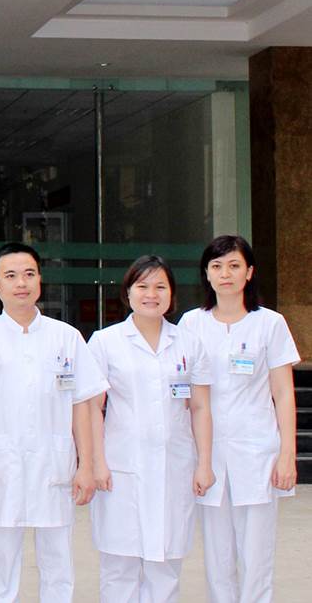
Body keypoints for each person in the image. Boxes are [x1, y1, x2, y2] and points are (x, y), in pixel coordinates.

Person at [0, 242, 107, 603]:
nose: (20, 283)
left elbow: (83, 407)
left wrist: (86, 466)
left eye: (28, 274)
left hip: (54, 466)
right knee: (1, 566)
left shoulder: (66, 337)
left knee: (58, 566)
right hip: (1, 468)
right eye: (10, 276)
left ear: (40, 280)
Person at [177, 235, 300, 603]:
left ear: (249, 273)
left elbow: (283, 393)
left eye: (233, 265)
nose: (225, 274)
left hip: (258, 450)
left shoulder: (270, 323)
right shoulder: (190, 324)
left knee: (257, 555)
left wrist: (287, 454)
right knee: (217, 556)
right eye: (216, 266)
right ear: (207, 275)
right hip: (206, 454)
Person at [88, 256, 214, 602]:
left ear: (172, 295)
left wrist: (204, 463)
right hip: (120, 466)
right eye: (142, 286)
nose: (151, 294)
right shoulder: (104, 342)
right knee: (119, 566)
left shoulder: (189, 343)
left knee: (166, 565)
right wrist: (96, 462)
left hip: (175, 465)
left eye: (160, 286)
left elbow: (200, 407)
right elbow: (92, 409)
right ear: (128, 293)